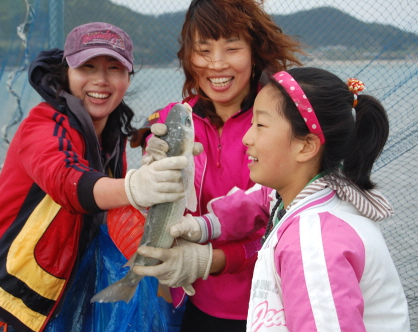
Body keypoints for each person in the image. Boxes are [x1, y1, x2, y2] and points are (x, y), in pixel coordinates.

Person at [0, 22, 189, 332]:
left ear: (127, 77)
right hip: (5, 306)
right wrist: (135, 186)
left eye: (114, 68)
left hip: (61, 305)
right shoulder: (43, 124)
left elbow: (115, 213)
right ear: (66, 73)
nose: (101, 80)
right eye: (87, 67)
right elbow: (67, 181)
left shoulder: (112, 138)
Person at [174, 67, 411, 331]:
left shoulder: (313, 244)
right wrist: (201, 227)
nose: (246, 138)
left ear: (306, 146)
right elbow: (257, 201)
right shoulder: (320, 192)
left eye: (260, 125)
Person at [129, 0, 304, 331]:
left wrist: (213, 260)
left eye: (232, 48)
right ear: (188, 56)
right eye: (203, 50)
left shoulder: (285, 122)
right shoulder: (173, 119)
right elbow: (157, 214)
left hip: (274, 307)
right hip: (192, 304)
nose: (217, 64)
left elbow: (290, 228)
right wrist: (144, 180)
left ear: (255, 52)